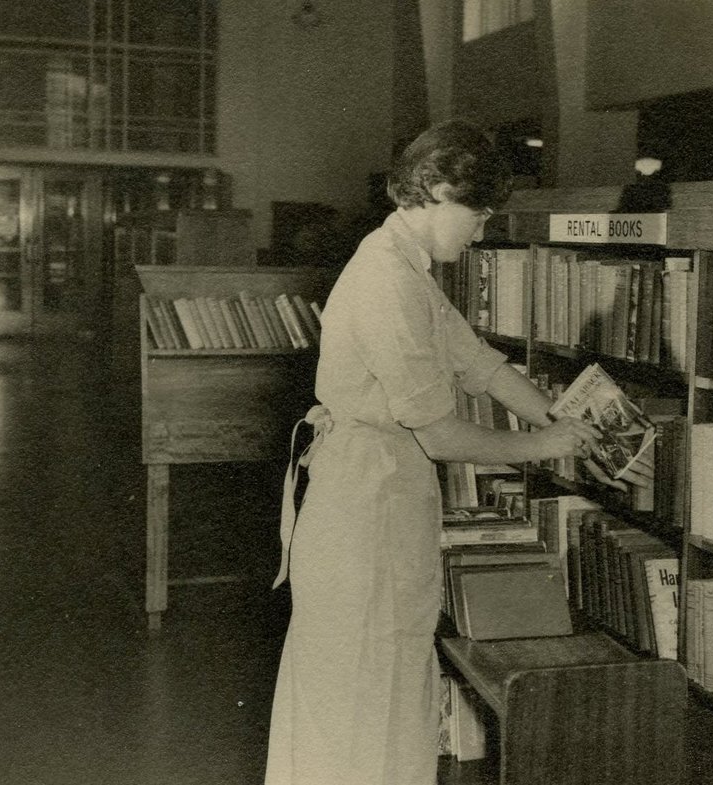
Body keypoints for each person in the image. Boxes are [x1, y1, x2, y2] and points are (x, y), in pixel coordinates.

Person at [264, 119, 648, 785]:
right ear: (435, 191)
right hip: (362, 509)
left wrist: (563, 414)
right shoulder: (385, 279)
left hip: (379, 502)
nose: (478, 233)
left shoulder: (405, 266)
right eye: (476, 215)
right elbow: (440, 433)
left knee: (382, 698)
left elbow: (481, 366)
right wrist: (544, 444)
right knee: (356, 708)